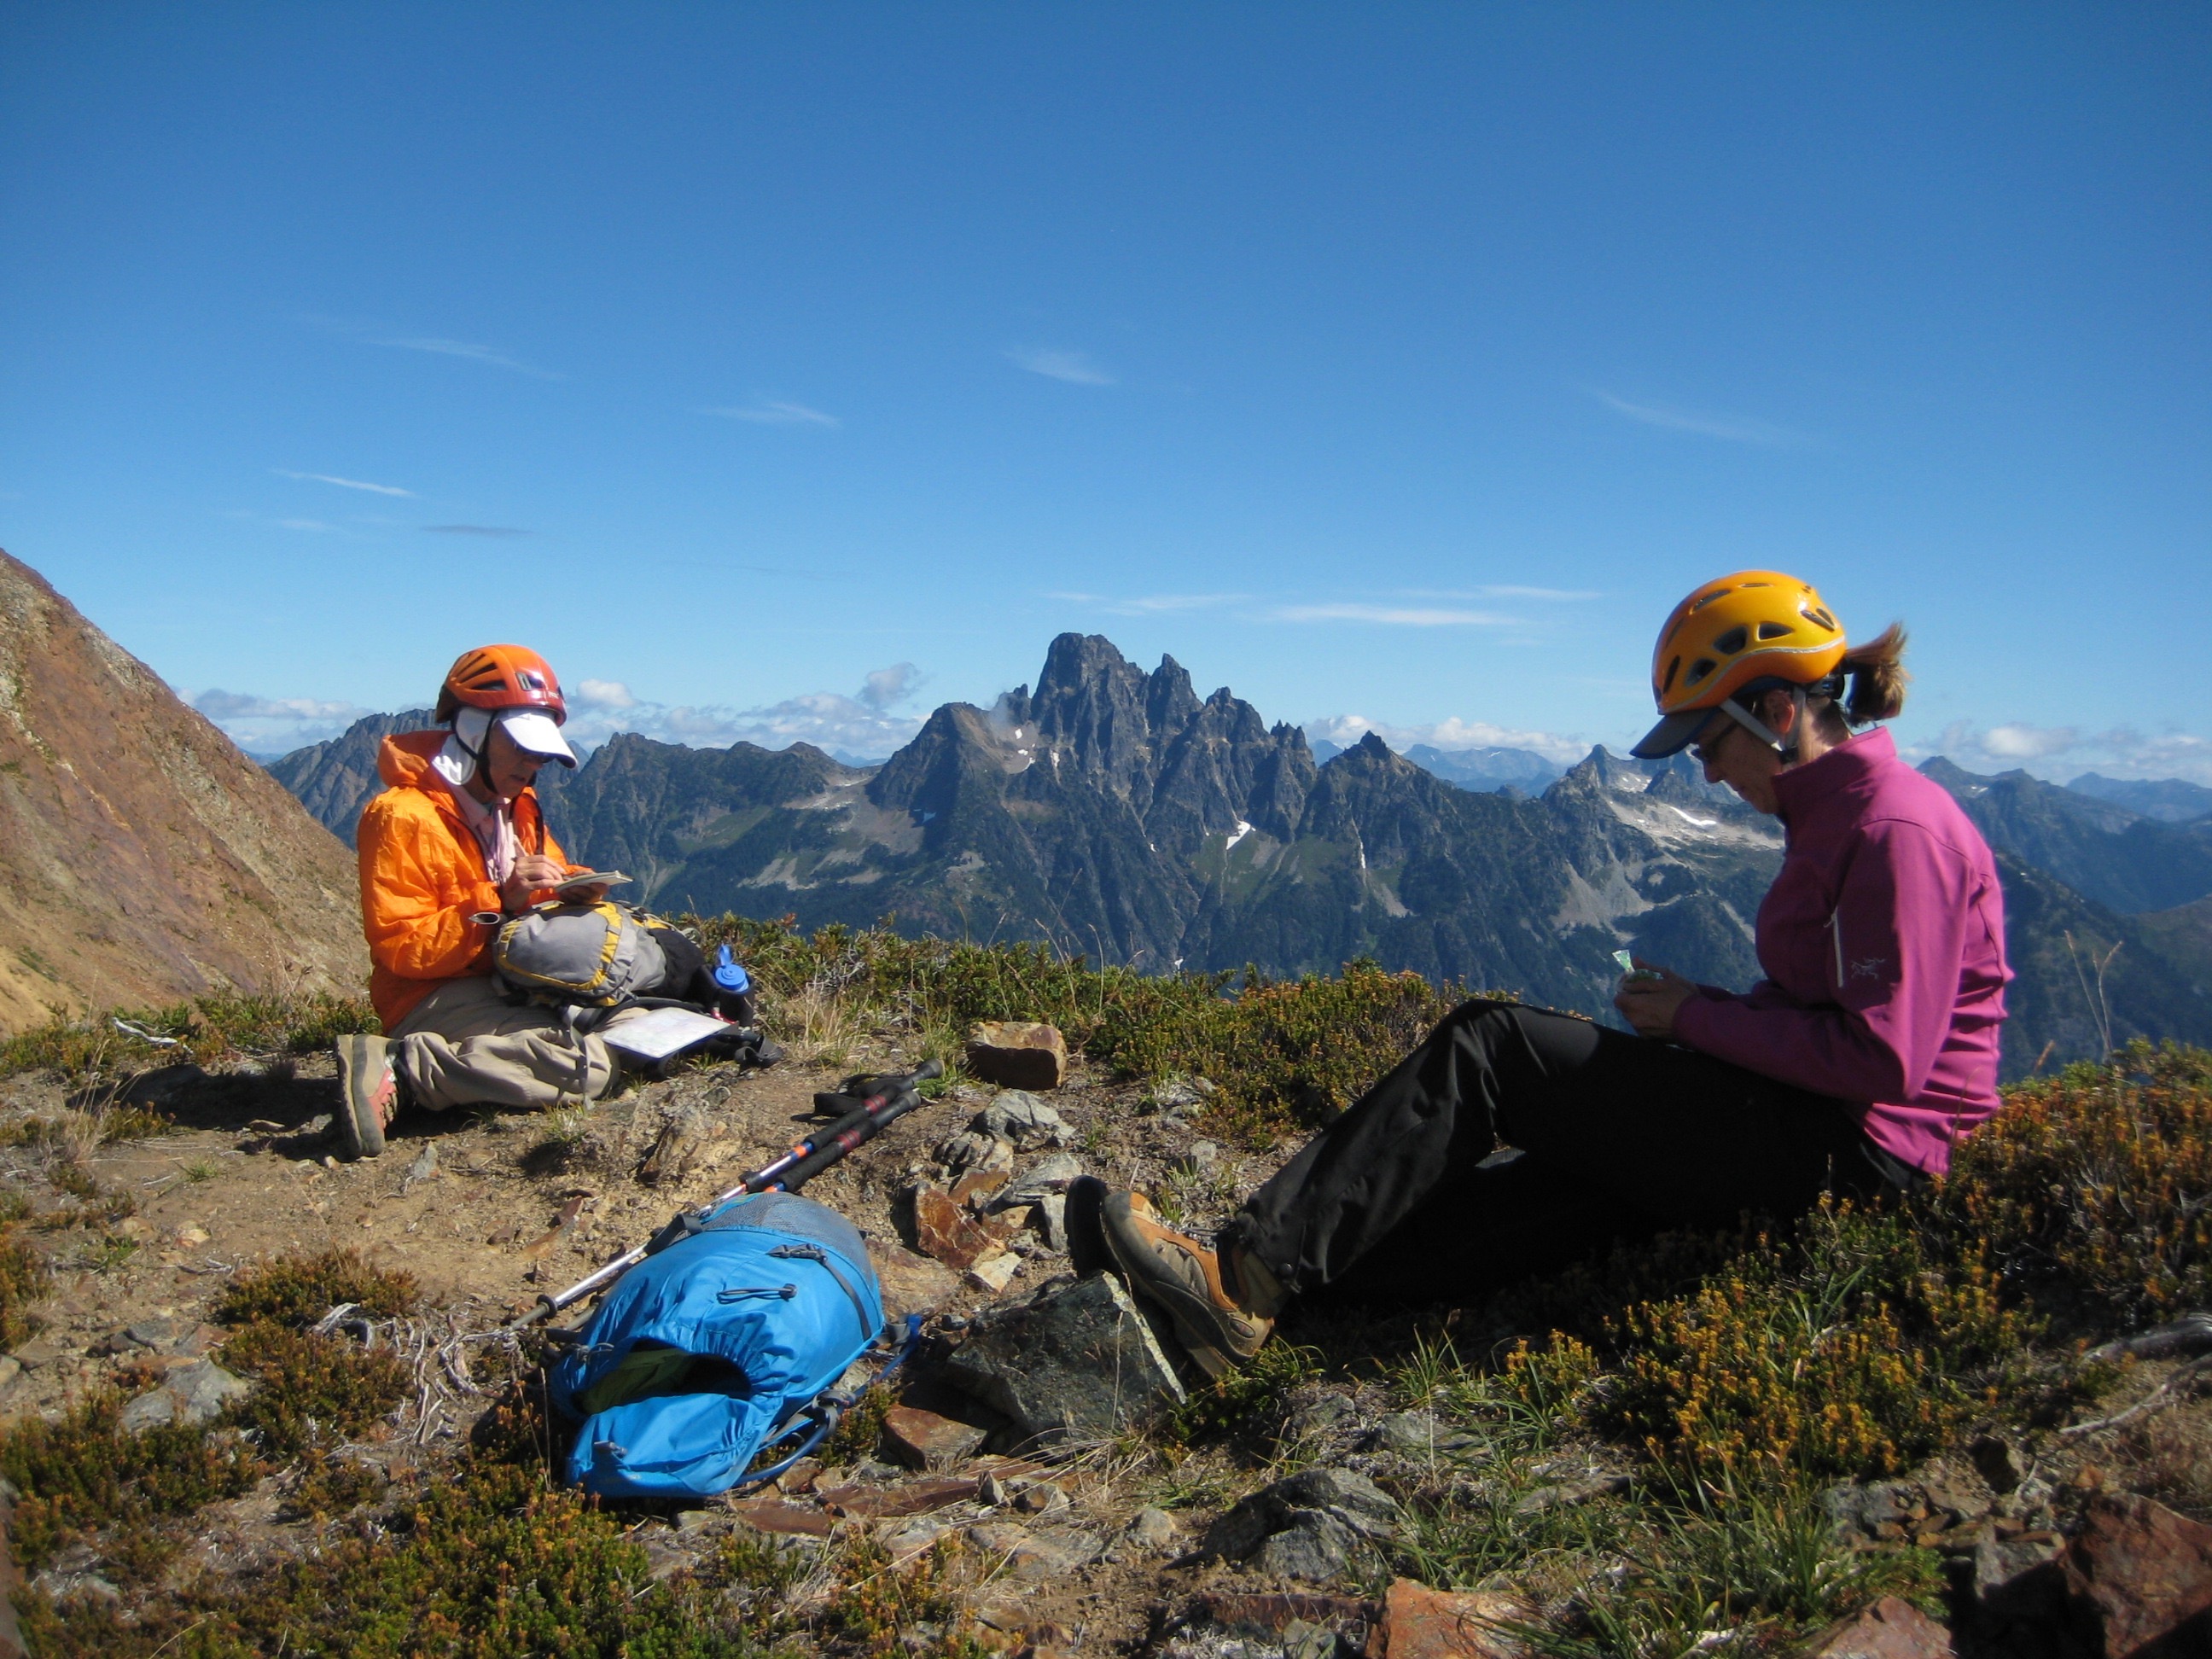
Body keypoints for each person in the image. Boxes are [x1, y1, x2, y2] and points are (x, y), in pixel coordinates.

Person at [1097, 571, 2011, 1377]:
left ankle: (1241, 1279)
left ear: (1775, 714)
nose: (1703, 772)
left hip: (1862, 1156)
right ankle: (1277, 1309)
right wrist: (1709, 1011)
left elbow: (1884, 1061)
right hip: (1826, 1143)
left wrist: (1695, 1020)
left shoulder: (1895, 831)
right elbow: (1836, 1013)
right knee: (1544, 1198)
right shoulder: (1838, 819)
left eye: (1706, 742)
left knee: (1492, 1048)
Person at [332, 644, 633, 1158]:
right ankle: (407, 1071)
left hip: (510, 977)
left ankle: (458, 1063)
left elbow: (538, 877)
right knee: (592, 1067)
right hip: (430, 995)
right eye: (521, 746)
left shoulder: (518, 806)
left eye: (540, 751)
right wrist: (500, 901)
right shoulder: (401, 816)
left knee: (629, 1021)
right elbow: (402, 948)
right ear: (473, 732)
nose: (533, 764)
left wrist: (572, 884)